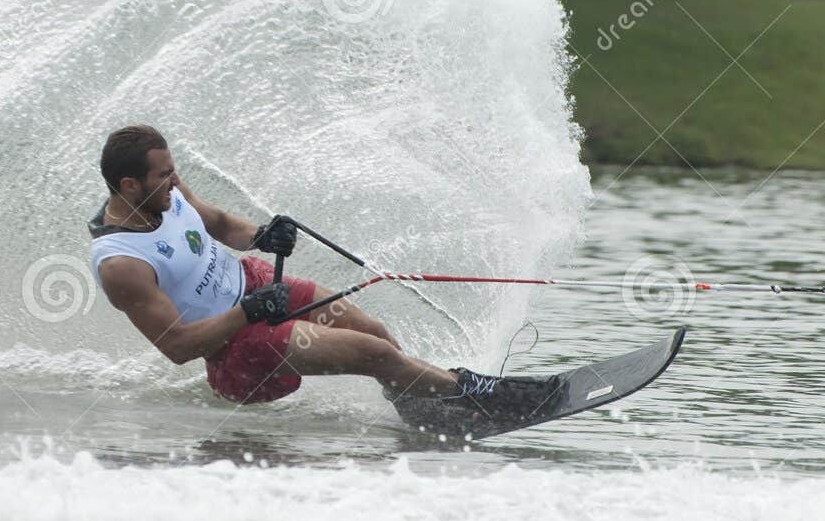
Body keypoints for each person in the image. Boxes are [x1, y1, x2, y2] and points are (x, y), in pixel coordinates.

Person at [87, 125, 560, 410]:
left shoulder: (163, 192)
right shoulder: (122, 264)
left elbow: (217, 222)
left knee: (376, 333)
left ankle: (425, 406)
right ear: (129, 185)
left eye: (172, 170)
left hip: (253, 288)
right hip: (235, 346)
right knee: (376, 356)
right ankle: (478, 396)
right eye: (163, 175)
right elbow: (177, 347)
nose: (174, 181)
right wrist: (246, 313)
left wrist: (260, 235)